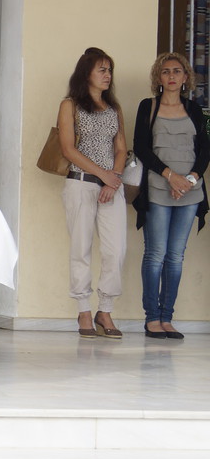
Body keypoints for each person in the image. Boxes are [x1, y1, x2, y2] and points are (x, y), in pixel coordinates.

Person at [132, 52, 210, 340]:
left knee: (176, 256)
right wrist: (170, 176)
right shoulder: (148, 106)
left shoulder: (195, 109)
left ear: (186, 77)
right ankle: (152, 318)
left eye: (177, 71)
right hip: (158, 188)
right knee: (156, 254)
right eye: (166, 71)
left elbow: (205, 150)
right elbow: (141, 147)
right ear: (158, 77)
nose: (172, 76)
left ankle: (167, 318)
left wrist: (189, 179)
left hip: (189, 191)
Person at [58, 47, 127, 340]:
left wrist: (113, 180)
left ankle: (105, 310)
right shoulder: (70, 105)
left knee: (116, 250)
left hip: (111, 187)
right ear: (86, 73)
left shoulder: (114, 108)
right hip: (81, 183)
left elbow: (121, 149)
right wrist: (103, 175)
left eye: (109, 70)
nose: (107, 75)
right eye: (102, 69)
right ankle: (84, 310)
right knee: (81, 248)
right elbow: (68, 149)